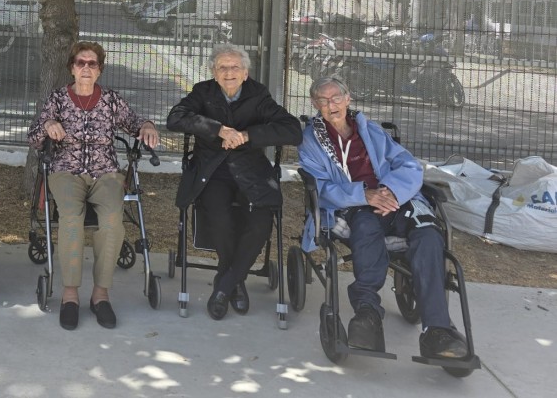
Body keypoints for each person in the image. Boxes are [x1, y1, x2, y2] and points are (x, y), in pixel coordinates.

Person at [299, 76, 469, 359]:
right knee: (366, 228)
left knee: (428, 234)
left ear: (348, 98)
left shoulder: (372, 131)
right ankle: (367, 314)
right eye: (323, 100)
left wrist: (391, 191)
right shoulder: (311, 141)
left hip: (397, 200)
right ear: (315, 104)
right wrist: (364, 195)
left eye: (336, 98)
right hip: (356, 205)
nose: (331, 104)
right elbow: (321, 187)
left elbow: (408, 165)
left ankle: (437, 330)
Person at [28, 41, 160, 331]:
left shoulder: (111, 99)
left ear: (99, 69)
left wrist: (148, 125)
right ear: (72, 68)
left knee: (112, 221)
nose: (86, 68)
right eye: (80, 62)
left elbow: (134, 122)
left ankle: (100, 295)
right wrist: (48, 125)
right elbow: (34, 137)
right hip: (66, 171)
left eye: (92, 63)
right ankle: (70, 294)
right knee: (71, 218)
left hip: (105, 173)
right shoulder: (58, 98)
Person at [166, 43, 301, 320]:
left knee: (261, 221)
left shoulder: (257, 94)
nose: (229, 73)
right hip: (212, 170)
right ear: (214, 73)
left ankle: (225, 284)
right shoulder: (203, 92)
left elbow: (291, 130)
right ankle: (235, 283)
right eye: (223, 68)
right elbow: (175, 118)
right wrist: (219, 130)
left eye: (235, 67)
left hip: (252, 170)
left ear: (245, 72)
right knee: (219, 219)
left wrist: (248, 136)